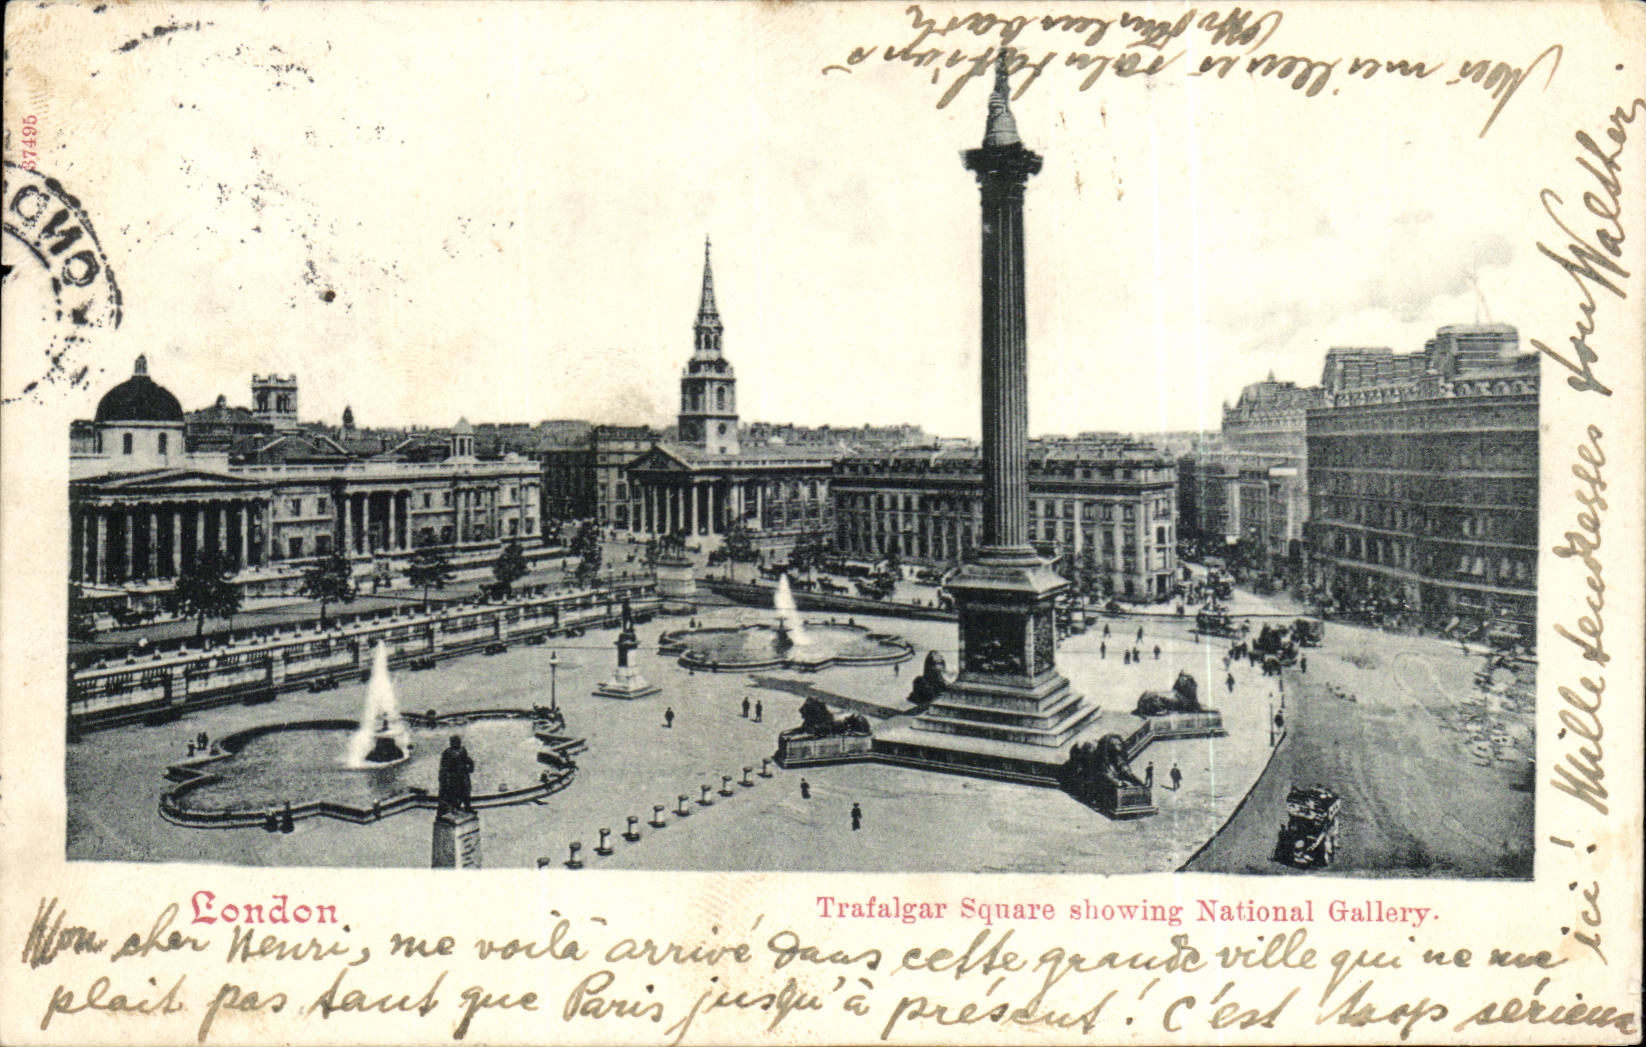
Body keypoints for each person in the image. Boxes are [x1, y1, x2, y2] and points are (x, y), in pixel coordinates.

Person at [437, 735, 475, 814]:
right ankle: (455, 808)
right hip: (454, 776)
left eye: (458, 742)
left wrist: (471, 766)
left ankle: (467, 807)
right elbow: (444, 766)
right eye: (455, 742)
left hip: (464, 775)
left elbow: (467, 759)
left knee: (466, 791)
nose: (457, 743)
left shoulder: (462, 750)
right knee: (455, 793)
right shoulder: (447, 752)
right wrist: (444, 777)